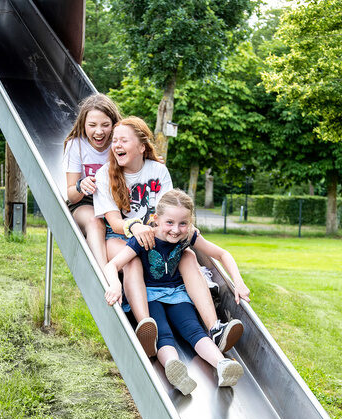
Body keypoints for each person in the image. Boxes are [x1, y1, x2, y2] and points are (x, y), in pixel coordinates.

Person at [93, 117, 243, 357]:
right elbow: (114, 223)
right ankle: (146, 328)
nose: (116, 145)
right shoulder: (105, 175)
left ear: (141, 146)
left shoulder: (158, 171)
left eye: (123, 140)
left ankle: (215, 328)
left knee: (188, 255)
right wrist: (136, 228)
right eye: (115, 140)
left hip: (158, 235)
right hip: (121, 236)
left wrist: (181, 228)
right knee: (131, 261)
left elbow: (168, 211)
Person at [104, 189, 251, 394]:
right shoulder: (143, 239)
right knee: (162, 333)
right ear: (156, 219)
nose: (176, 229)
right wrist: (114, 285)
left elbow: (221, 253)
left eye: (183, 223)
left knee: (193, 329)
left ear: (190, 223)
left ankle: (222, 365)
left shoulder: (188, 236)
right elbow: (112, 265)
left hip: (177, 293)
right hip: (150, 295)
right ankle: (175, 369)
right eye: (170, 223)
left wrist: (238, 282)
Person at [64, 94, 122, 269]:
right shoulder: (76, 145)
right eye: (92, 125)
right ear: (83, 124)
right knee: (95, 221)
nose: (99, 131)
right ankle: (104, 276)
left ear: (113, 125)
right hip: (85, 202)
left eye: (105, 125)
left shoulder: (119, 144)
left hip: (115, 202)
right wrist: (80, 185)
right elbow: (72, 195)